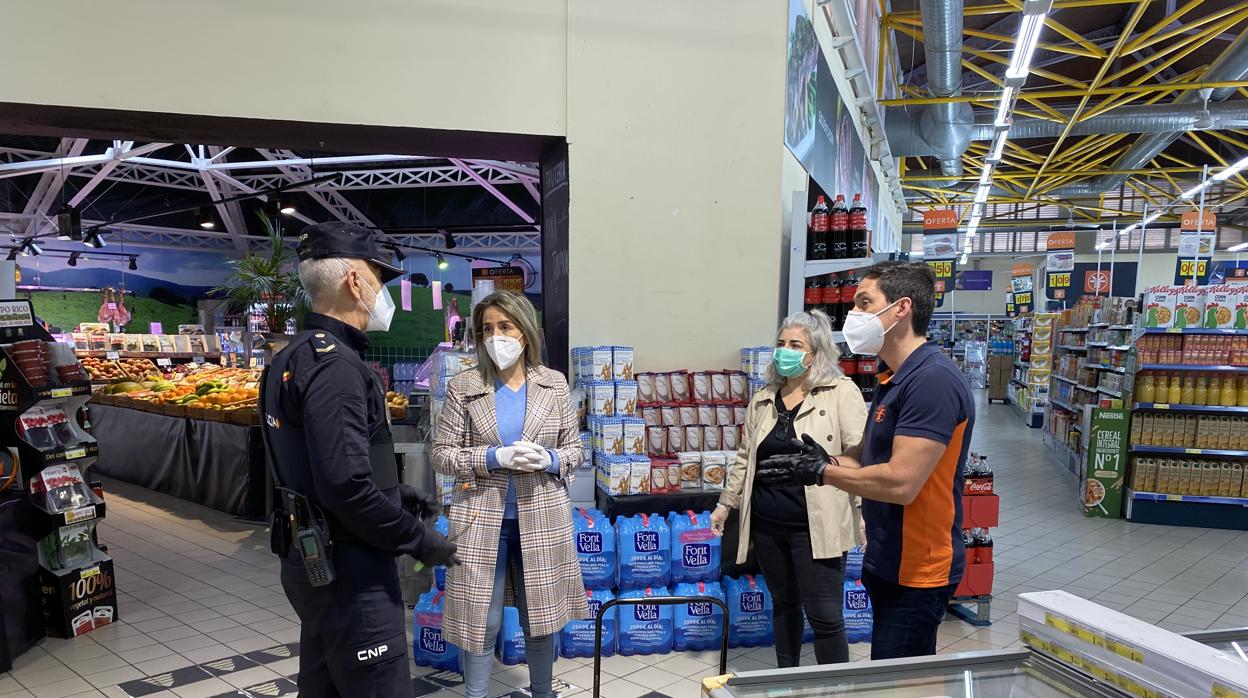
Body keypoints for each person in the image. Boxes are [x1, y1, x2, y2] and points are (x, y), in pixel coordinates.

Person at [260, 221, 459, 698]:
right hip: (351, 575)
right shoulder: (337, 369)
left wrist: (395, 492)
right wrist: (420, 541)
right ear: (355, 281)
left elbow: (315, 466)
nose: (381, 293)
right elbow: (345, 486)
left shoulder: (292, 357)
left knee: (325, 685)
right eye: (377, 278)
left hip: (317, 565)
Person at [765, 262, 975, 660]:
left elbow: (901, 481)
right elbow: (865, 457)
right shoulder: (891, 376)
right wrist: (818, 460)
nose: (854, 315)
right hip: (887, 558)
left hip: (919, 569)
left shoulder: (932, 380)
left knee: (902, 683)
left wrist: (823, 472)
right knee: (894, 675)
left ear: (901, 309)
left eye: (865, 303)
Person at [432, 290, 587, 698]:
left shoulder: (553, 384)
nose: (495, 336)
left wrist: (550, 459)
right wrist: (492, 456)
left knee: (542, 616)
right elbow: (442, 455)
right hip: (482, 518)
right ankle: (477, 694)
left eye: (504, 327)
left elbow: (576, 450)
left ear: (525, 331)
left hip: (542, 516)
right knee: (482, 617)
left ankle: (543, 692)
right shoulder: (465, 385)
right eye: (487, 329)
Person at [710, 310, 866, 668]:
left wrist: (863, 513)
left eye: (796, 344)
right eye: (781, 344)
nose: (785, 351)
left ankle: (834, 688)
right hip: (768, 524)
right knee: (783, 604)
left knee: (825, 615)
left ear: (815, 353)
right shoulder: (763, 398)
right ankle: (787, 680)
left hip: (818, 525)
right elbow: (744, 457)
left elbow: (860, 456)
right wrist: (725, 504)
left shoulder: (841, 393)